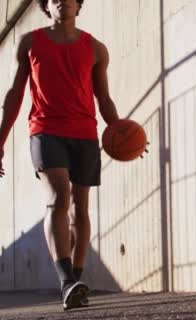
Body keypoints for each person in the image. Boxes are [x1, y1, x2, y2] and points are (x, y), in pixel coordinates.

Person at [0, 0, 119, 310]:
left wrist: (120, 129)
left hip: (85, 135)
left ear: (78, 6)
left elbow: (103, 96)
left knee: (80, 209)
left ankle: (75, 282)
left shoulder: (95, 48)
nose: (61, 1)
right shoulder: (30, 43)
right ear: (46, 7)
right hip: (46, 132)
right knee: (58, 197)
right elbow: (13, 95)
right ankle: (66, 280)